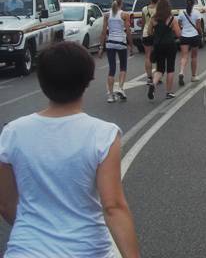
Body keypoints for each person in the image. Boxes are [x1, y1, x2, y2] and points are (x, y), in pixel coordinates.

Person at [0, 42, 140, 257]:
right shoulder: (103, 135)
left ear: (41, 81)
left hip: (26, 250)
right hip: (87, 250)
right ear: (88, 81)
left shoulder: (13, 132)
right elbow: (113, 207)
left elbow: (6, 204)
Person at [98, 0, 133, 103]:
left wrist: (101, 47)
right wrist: (131, 45)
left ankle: (110, 95)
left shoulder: (107, 15)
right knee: (123, 67)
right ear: (121, 3)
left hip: (110, 43)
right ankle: (120, 88)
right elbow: (128, 31)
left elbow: (104, 32)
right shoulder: (124, 15)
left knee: (111, 69)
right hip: (121, 42)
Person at [148, 0, 181, 100]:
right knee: (170, 69)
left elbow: (149, 32)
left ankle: (153, 83)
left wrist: (156, 34)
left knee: (160, 69)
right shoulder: (172, 19)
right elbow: (178, 33)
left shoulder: (153, 19)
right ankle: (168, 92)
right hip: (170, 44)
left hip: (158, 45)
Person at [178, 0, 203, 86]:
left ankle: (181, 72)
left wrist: (183, 29)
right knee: (194, 57)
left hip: (184, 36)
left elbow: (180, 24)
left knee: (184, 56)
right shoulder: (197, 13)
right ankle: (193, 76)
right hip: (194, 36)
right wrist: (201, 34)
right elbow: (198, 27)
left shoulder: (181, 13)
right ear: (193, 3)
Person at [141, 0, 160, 86]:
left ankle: (149, 77)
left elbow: (143, 22)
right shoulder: (159, 9)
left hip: (146, 33)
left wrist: (142, 32)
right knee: (158, 55)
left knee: (148, 56)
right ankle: (158, 75)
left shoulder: (144, 9)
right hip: (156, 34)